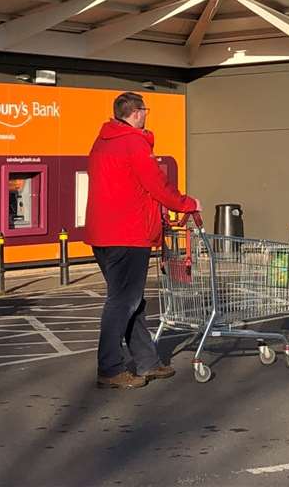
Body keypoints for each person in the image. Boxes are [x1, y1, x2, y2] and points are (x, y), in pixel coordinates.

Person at [85, 92, 199, 390]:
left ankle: (147, 360)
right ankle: (110, 367)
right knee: (122, 301)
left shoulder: (101, 142)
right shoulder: (133, 142)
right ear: (137, 113)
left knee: (129, 300)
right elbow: (157, 185)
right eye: (145, 111)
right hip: (128, 234)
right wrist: (188, 204)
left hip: (102, 234)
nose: (146, 116)